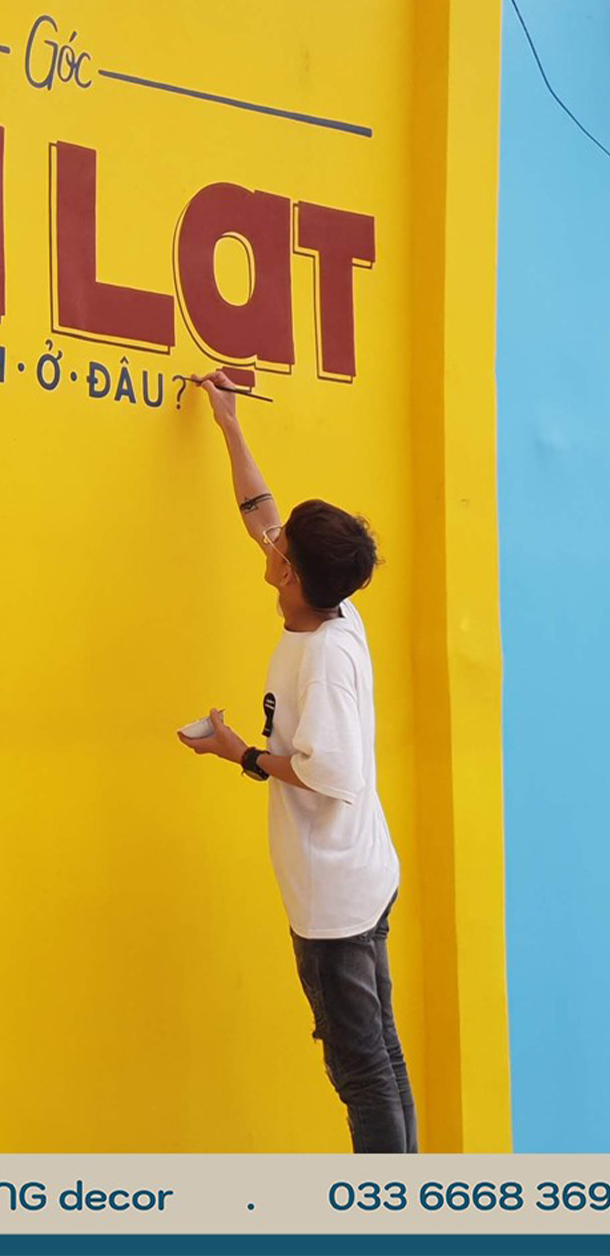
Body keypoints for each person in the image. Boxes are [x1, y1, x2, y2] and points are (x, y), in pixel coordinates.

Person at [177, 370, 417, 1154]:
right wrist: (229, 423)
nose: (272, 539)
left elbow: (334, 774)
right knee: (382, 1053)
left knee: (361, 1071)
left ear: (291, 574)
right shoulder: (331, 605)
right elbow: (261, 512)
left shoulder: (324, 660)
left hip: (335, 900)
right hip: (361, 875)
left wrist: (240, 751)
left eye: (282, 546)